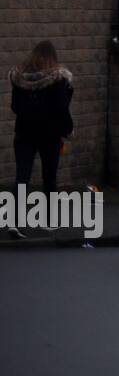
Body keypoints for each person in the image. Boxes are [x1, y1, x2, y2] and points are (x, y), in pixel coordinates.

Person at [8, 41, 74, 239]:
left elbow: (14, 107)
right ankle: (47, 220)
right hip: (49, 135)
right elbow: (62, 108)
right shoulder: (58, 79)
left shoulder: (20, 78)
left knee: (22, 177)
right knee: (49, 177)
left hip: (24, 133)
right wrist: (67, 129)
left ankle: (15, 221)